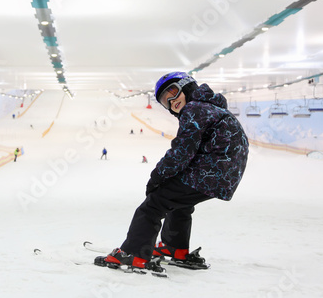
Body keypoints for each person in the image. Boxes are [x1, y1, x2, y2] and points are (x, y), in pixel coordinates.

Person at [96, 71, 249, 272]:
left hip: (210, 172)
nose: (171, 101)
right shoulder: (210, 108)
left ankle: (133, 254)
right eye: (165, 101)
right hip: (224, 174)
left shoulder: (195, 109)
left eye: (173, 92)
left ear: (187, 87)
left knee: (153, 204)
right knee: (178, 202)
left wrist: (156, 177)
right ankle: (174, 248)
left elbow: (182, 151)